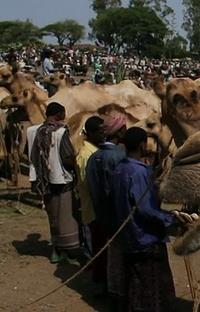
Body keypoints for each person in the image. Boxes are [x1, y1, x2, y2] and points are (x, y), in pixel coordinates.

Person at [112, 127, 176, 311]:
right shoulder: (139, 172)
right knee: (152, 287)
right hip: (145, 239)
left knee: (135, 284)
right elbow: (146, 208)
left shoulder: (120, 169)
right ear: (142, 145)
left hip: (129, 237)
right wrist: (171, 218)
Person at [28, 102, 78, 263]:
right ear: (59, 115)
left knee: (52, 214)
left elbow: (29, 154)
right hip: (60, 179)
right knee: (66, 215)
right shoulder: (60, 132)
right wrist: (77, 169)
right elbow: (67, 158)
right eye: (63, 113)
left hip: (42, 180)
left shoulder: (31, 131)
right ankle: (65, 249)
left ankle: (56, 249)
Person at [86, 113, 128, 307]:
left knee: (107, 255)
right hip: (119, 219)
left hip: (100, 215)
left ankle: (108, 289)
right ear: (120, 131)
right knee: (120, 259)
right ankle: (120, 296)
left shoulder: (93, 157)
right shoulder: (119, 156)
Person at [76, 116, 106, 288]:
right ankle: (98, 284)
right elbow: (90, 186)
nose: (104, 135)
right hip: (93, 210)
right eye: (101, 132)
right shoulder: (86, 156)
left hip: (96, 210)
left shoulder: (94, 152)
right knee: (98, 252)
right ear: (92, 133)